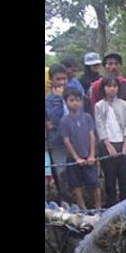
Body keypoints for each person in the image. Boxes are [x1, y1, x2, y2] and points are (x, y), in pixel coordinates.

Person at [94, 75, 126, 207]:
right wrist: (108, 145)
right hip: (107, 145)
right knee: (109, 178)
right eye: (109, 86)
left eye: (114, 86)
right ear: (103, 88)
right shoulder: (99, 106)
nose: (112, 89)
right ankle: (111, 205)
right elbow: (100, 125)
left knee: (124, 176)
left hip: (123, 143)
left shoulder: (124, 104)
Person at [60, 88, 101, 209]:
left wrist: (92, 154)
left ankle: (98, 207)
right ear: (66, 102)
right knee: (76, 185)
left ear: (82, 101)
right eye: (71, 100)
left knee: (95, 183)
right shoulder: (64, 121)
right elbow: (66, 140)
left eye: (77, 100)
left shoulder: (87, 117)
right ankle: (82, 209)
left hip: (89, 156)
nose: (75, 103)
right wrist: (76, 157)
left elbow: (91, 135)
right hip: (73, 158)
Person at [46, 64, 72, 201]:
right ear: (51, 80)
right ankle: (64, 200)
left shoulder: (72, 95)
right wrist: (57, 99)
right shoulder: (49, 100)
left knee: (74, 172)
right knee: (61, 173)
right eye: (58, 79)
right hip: (57, 142)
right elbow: (55, 119)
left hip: (74, 140)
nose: (62, 82)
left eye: (64, 79)